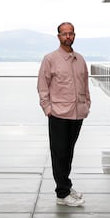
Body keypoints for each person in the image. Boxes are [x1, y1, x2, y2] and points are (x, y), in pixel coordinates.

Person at [37, 22, 91, 207]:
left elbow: (85, 84)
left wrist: (87, 104)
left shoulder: (80, 59)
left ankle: (65, 186)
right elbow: (43, 86)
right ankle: (62, 194)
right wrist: (47, 108)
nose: (68, 36)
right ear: (58, 36)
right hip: (59, 114)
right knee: (59, 153)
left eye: (71, 33)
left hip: (77, 114)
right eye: (64, 34)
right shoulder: (50, 59)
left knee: (68, 153)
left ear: (74, 35)